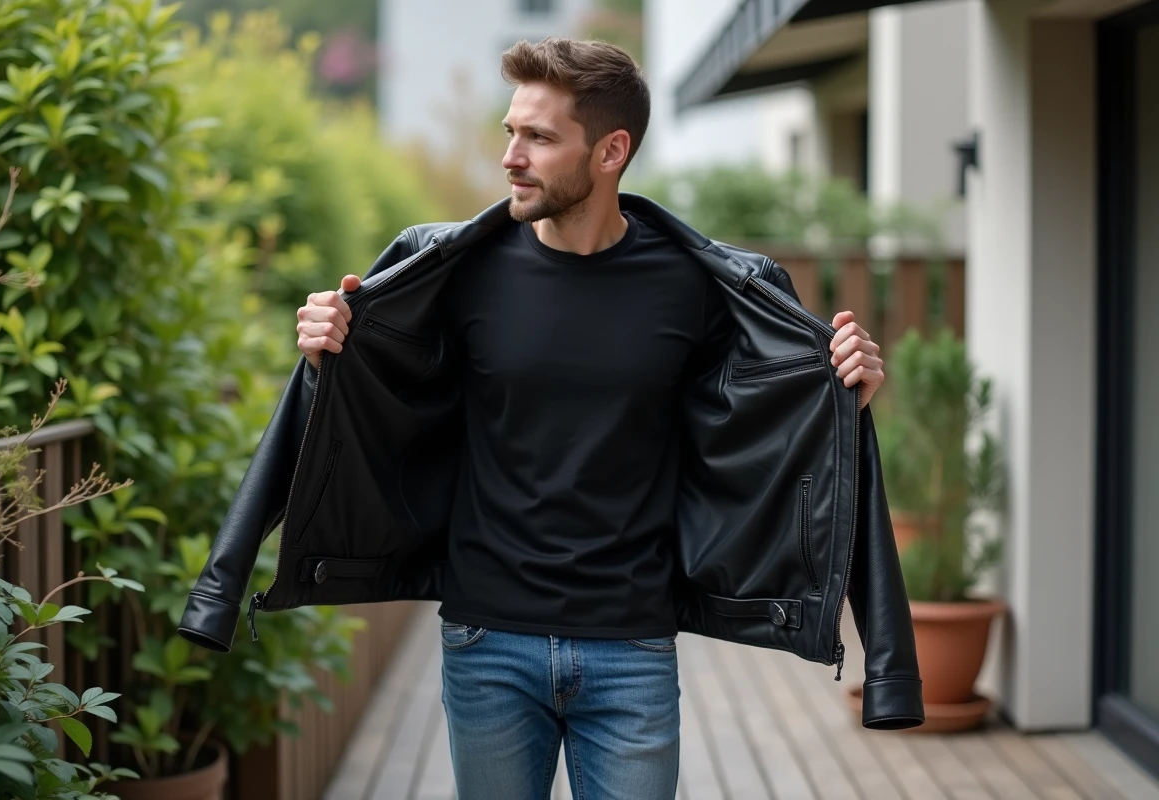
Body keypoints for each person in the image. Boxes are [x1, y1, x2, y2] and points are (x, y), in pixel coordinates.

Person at [291, 38, 885, 800]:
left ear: (611, 150)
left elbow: (755, 419)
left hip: (632, 647)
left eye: (538, 137)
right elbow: (390, 405)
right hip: (486, 642)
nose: (511, 155)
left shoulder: (691, 283)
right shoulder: (461, 270)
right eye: (510, 132)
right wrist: (327, 359)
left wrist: (840, 393)